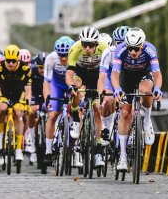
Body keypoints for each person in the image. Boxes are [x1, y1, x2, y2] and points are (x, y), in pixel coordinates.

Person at [111, 27, 163, 171]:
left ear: (142, 45)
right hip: (126, 78)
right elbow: (115, 74)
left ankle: (146, 121)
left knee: (146, 91)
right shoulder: (120, 50)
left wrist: (157, 88)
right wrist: (116, 88)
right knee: (125, 113)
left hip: (143, 75)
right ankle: (122, 157)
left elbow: (157, 74)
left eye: (136, 49)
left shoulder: (150, 49)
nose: (133, 52)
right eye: (130, 48)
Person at [66, 26, 108, 168]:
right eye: (85, 44)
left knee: (97, 108)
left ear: (96, 44)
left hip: (97, 75)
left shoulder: (104, 48)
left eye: (91, 45)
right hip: (80, 73)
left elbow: (107, 74)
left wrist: (105, 91)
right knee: (76, 87)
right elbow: (69, 74)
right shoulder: (75, 48)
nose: (87, 48)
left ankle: (98, 151)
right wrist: (71, 86)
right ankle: (76, 119)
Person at [43, 37, 82, 167]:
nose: (63, 58)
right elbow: (46, 83)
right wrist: (47, 99)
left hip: (73, 84)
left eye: (66, 55)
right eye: (61, 55)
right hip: (57, 85)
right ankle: (48, 150)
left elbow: (82, 81)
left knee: (79, 113)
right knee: (53, 114)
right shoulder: (51, 58)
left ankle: (77, 148)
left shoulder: (77, 57)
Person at [0, 44, 32, 165]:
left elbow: (28, 89)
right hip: (4, 93)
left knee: (19, 113)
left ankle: (19, 148)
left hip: (18, 94)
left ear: (17, 60)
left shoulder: (25, 69)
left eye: (13, 61)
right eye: (8, 61)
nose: (10, 64)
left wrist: (27, 104)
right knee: (2, 108)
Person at [97, 26, 128, 145]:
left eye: (124, 43)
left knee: (129, 108)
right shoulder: (109, 52)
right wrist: (101, 95)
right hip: (110, 78)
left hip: (125, 78)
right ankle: (106, 126)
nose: (121, 46)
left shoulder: (133, 52)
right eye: (119, 43)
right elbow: (102, 76)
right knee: (108, 99)